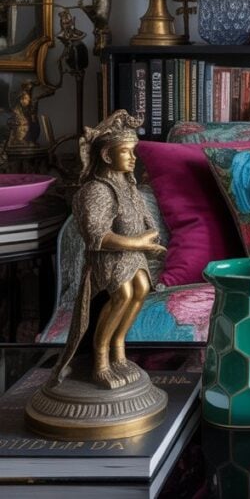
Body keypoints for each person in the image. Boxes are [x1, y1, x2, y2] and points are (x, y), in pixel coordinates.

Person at [51, 110, 165, 389]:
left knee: (140, 290)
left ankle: (118, 351)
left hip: (133, 255)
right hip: (109, 257)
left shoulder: (128, 186)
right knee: (122, 294)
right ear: (106, 156)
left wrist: (150, 242)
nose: (133, 158)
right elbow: (97, 237)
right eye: (126, 152)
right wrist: (139, 242)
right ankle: (100, 361)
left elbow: (143, 219)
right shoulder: (97, 190)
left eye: (133, 151)